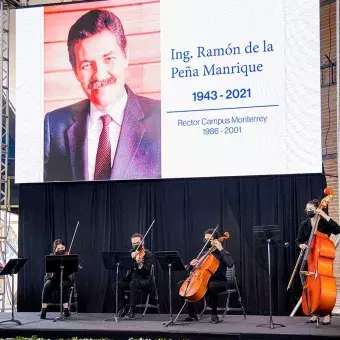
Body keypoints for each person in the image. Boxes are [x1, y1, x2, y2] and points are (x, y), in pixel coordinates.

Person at [44, 9, 161, 182]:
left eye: (108, 59)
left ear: (126, 55)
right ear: (75, 72)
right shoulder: (54, 126)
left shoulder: (162, 119)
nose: (99, 75)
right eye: (86, 65)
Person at [296, 199, 340, 325]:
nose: (308, 211)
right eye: (307, 209)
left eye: (311, 209)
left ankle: (327, 314)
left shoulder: (324, 223)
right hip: (311, 260)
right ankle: (314, 313)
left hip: (322, 261)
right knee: (311, 285)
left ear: (317, 209)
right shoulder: (305, 224)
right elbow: (298, 240)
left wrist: (325, 215)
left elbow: (338, 229)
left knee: (325, 289)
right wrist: (301, 245)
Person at [178, 229, 234, 324]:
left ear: (216, 241)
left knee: (212, 285)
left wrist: (221, 249)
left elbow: (230, 264)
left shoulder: (223, 253)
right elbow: (194, 270)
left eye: (209, 239)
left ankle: (214, 314)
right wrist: (191, 264)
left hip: (220, 281)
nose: (206, 241)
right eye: (205, 239)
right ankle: (191, 314)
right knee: (181, 285)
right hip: (203, 280)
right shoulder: (204, 254)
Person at [114, 233, 154, 319]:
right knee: (117, 284)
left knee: (133, 284)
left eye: (137, 243)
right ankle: (122, 308)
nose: (135, 245)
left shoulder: (148, 255)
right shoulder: (131, 253)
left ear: (142, 242)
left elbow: (147, 272)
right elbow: (125, 266)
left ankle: (132, 310)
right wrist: (130, 260)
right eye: (133, 243)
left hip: (144, 281)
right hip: (132, 280)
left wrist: (139, 263)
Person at [40, 239, 73, 319]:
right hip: (54, 279)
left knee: (63, 285)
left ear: (64, 247)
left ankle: (65, 309)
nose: (61, 250)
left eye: (62, 248)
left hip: (65, 278)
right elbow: (49, 271)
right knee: (47, 286)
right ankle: (43, 310)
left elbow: (71, 271)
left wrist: (73, 265)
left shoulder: (68, 256)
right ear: (55, 249)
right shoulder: (52, 256)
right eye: (58, 249)